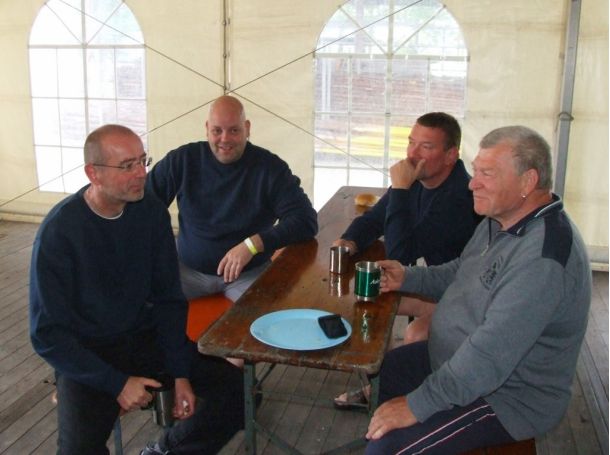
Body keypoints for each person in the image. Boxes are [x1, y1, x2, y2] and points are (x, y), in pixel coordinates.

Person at [365, 125, 591, 454]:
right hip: (457, 360)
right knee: (388, 370)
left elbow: (488, 358)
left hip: (506, 396)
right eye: (475, 171)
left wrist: (416, 405)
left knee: (389, 448)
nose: (472, 183)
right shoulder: (501, 219)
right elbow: (462, 270)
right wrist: (408, 278)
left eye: (487, 173)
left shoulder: (543, 259)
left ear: (527, 181)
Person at [29, 124, 244, 455]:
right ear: (93, 173)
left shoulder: (151, 212)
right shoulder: (60, 232)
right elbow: (47, 335)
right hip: (87, 353)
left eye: (143, 161)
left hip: (144, 338)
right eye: (127, 165)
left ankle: (165, 450)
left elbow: (168, 300)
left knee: (237, 394)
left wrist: (180, 373)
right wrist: (116, 384)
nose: (141, 173)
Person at [333, 112, 480, 409]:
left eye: (426, 146)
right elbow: (376, 218)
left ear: (450, 155)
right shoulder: (419, 180)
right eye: (411, 142)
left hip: (468, 295)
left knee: (415, 333)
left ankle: (405, 402)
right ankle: (378, 383)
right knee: (367, 296)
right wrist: (348, 242)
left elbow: (400, 254)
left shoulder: (459, 198)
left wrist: (400, 189)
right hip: (436, 283)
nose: (412, 154)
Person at [146, 95, 318, 303]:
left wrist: (253, 245)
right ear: (207, 129)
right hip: (186, 271)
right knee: (138, 301)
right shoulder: (182, 160)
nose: (225, 139)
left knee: (268, 319)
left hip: (249, 274)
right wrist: (158, 247)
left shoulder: (270, 168)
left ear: (247, 128)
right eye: (217, 130)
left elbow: (306, 221)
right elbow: (143, 205)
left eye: (234, 130)